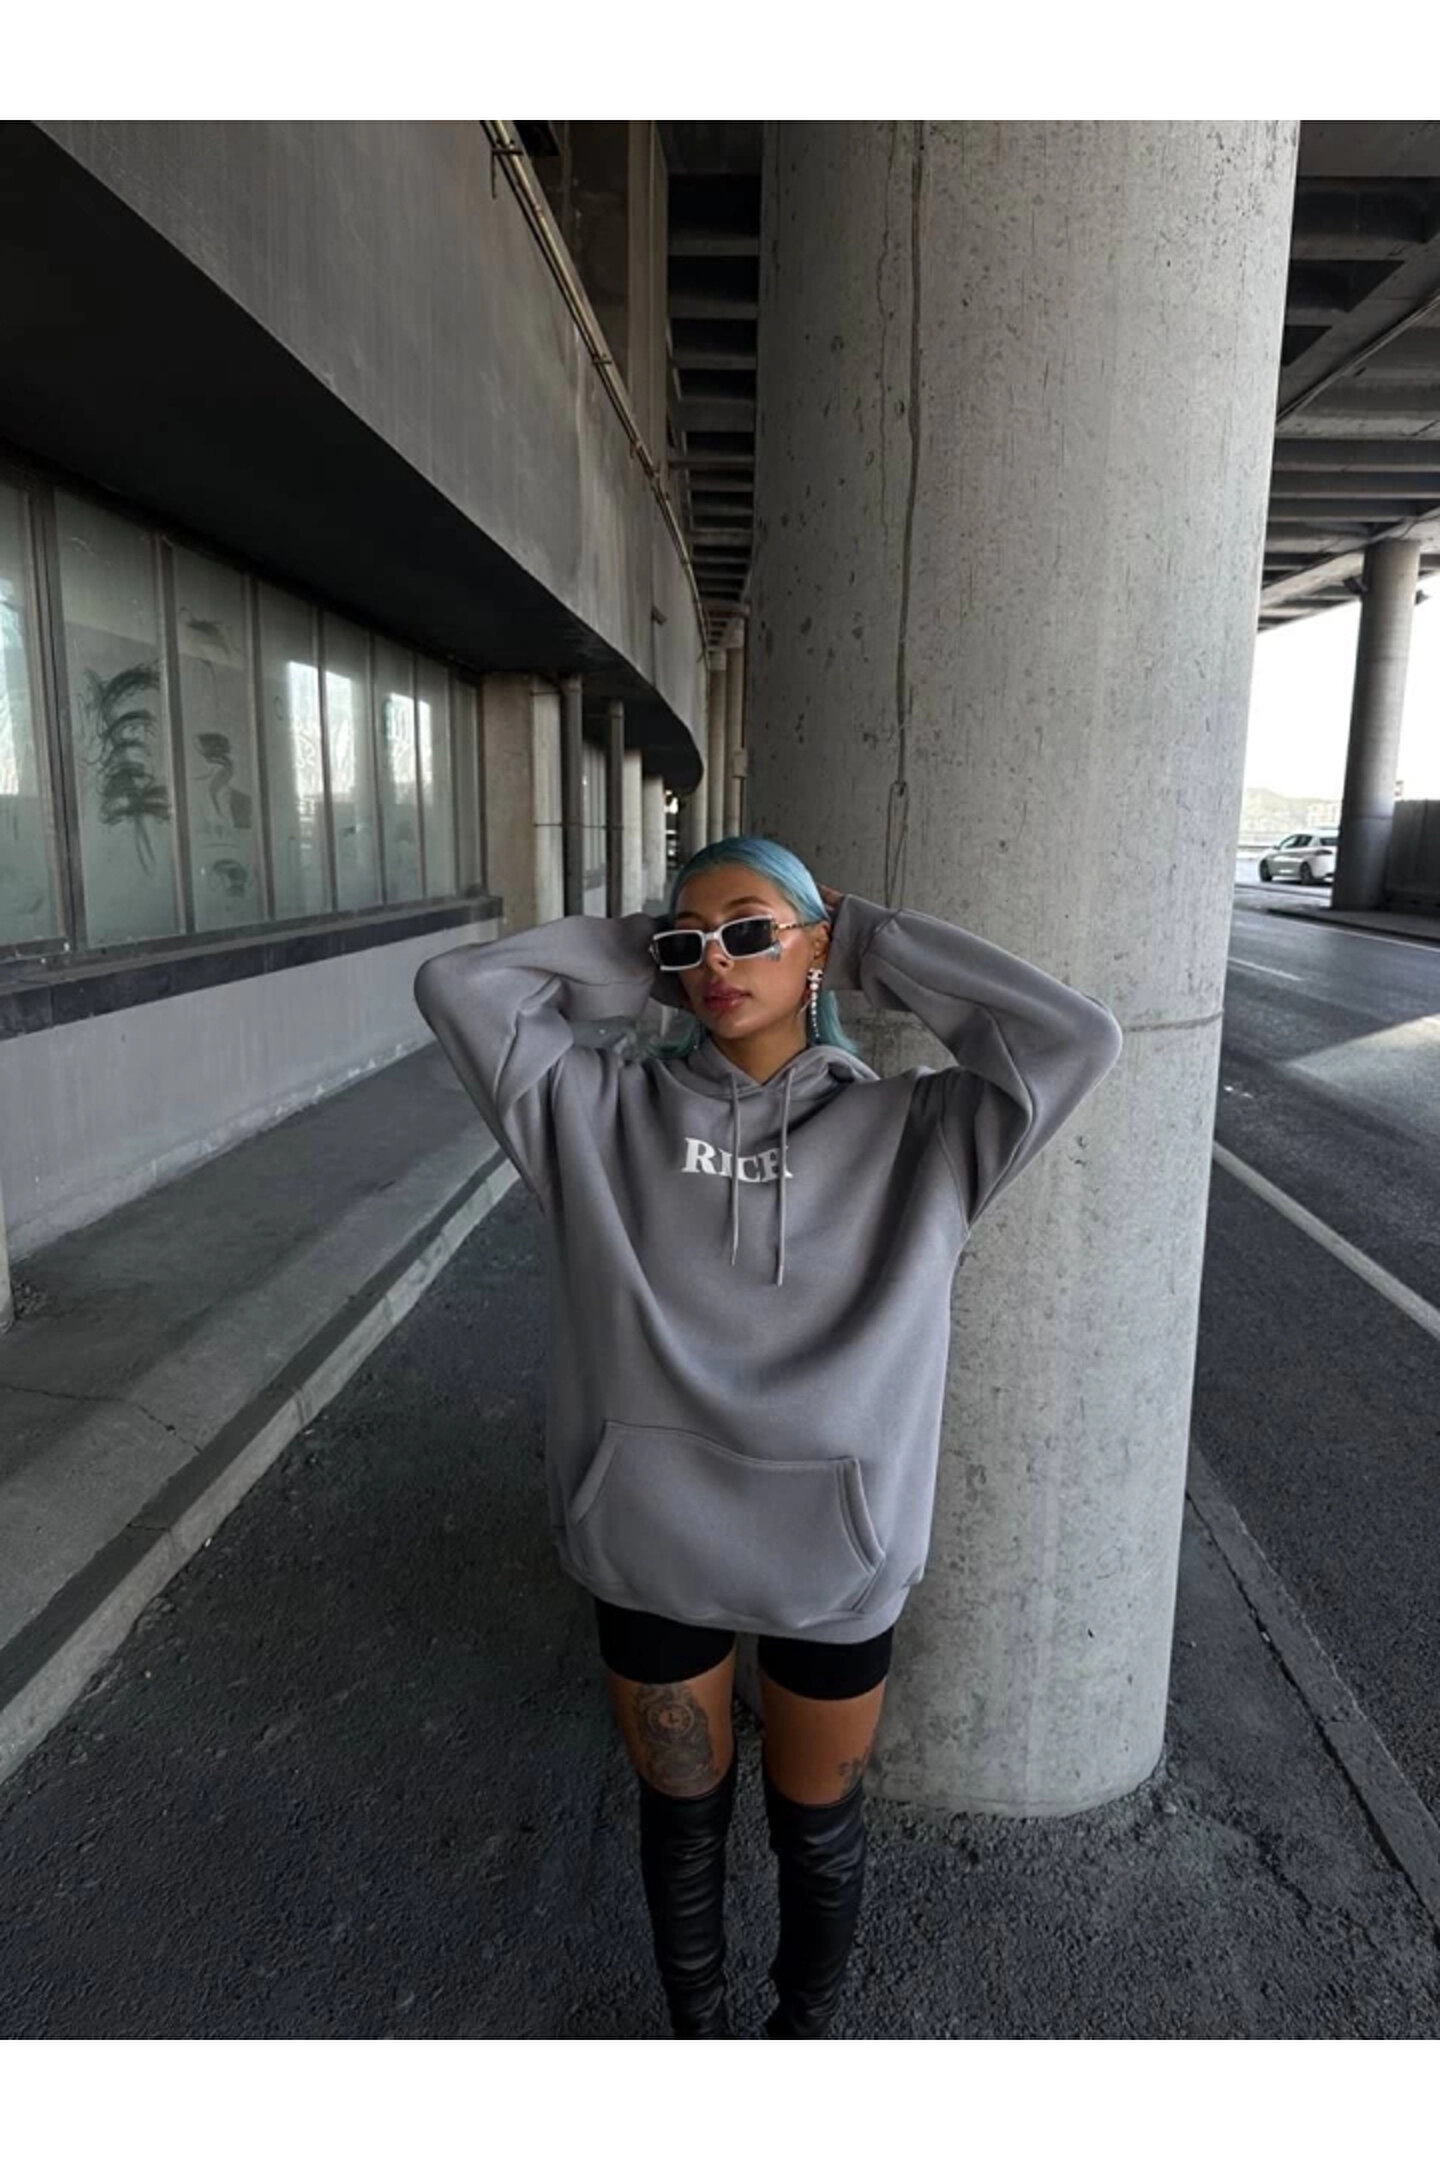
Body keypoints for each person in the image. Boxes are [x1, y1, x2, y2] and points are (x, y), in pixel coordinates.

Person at [413, 833, 1123, 2039]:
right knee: (681, 1816)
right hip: (650, 1539)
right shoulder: (592, 1113)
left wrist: (870, 940)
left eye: (751, 932)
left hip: (836, 1556)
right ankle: (697, 2031)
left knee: (818, 1824)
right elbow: (458, 987)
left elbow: (1076, 1038)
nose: (717, 962)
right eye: (688, 942)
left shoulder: (922, 1133)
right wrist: (649, 952)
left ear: (816, 949)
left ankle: (801, 2034)